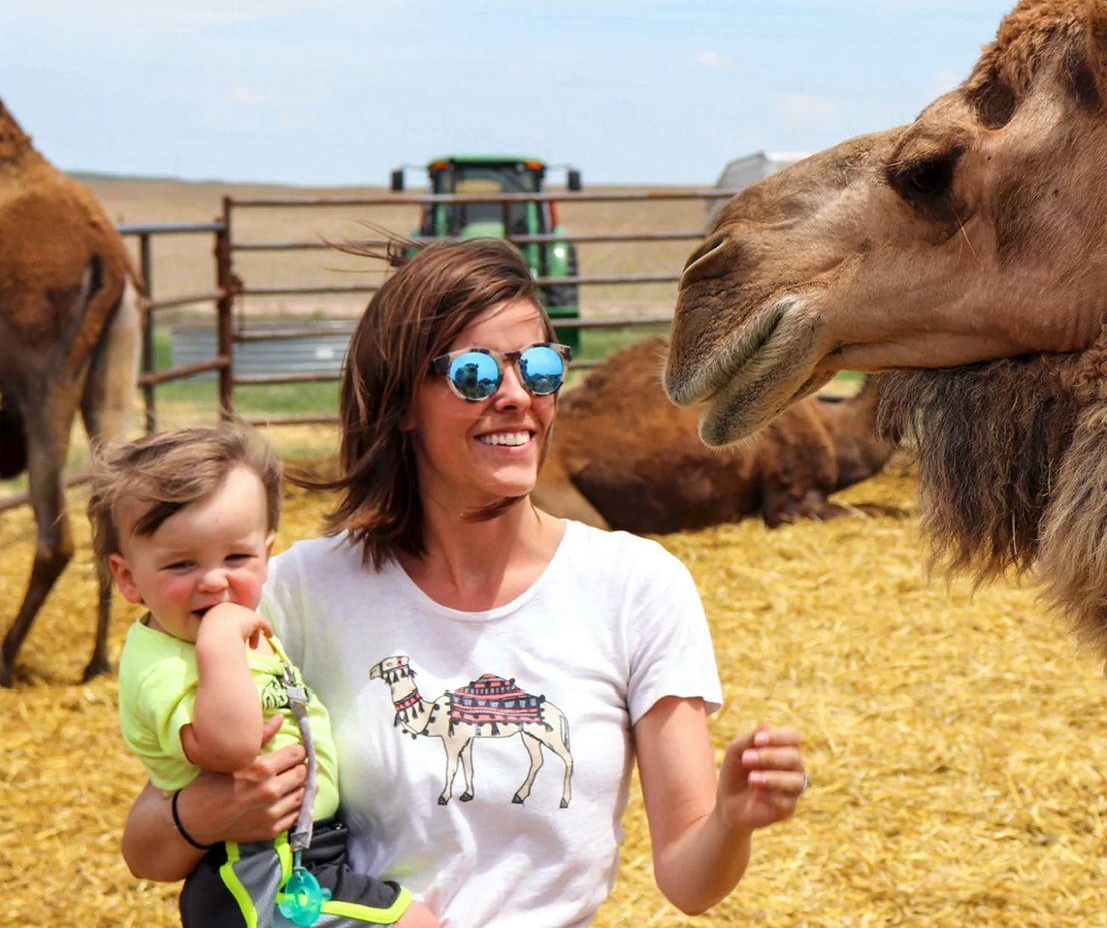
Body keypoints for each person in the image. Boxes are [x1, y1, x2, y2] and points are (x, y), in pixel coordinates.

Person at [121, 238, 808, 928]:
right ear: (402, 401)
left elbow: (688, 877)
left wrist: (730, 820)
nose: (517, 397)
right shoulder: (299, 591)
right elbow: (148, 848)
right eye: (474, 374)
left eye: (539, 367)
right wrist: (206, 812)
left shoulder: (637, 587)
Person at [95, 423, 437, 928]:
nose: (214, 580)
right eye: (181, 564)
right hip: (256, 866)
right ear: (127, 577)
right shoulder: (164, 665)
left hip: (298, 851)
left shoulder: (220, 633)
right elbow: (231, 749)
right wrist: (219, 641)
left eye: (237, 557)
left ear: (266, 555)